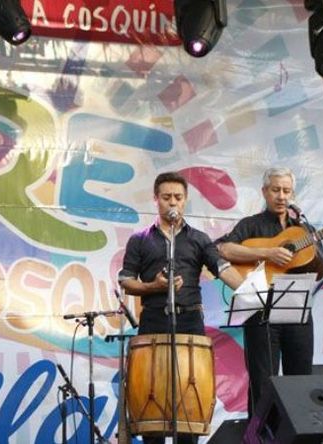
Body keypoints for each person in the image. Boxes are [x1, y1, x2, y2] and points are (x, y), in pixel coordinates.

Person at [118, 171, 244, 444]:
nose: (172, 203)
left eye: (178, 197)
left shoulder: (199, 239)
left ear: (185, 200)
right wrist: (154, 287)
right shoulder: (140, 239)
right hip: (152, 320)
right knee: (153, 411)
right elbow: (126, 281)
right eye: (166, 198)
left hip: (189, 322)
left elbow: (222, 269)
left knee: (188, 408)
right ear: (156, 200)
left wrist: (254, 292)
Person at [215, 167, 323, 416]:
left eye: (286, 191)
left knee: (302, 381)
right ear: (264, 191)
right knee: (263, 383)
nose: (281, 196)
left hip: (297, 307)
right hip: (260, 306)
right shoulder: (250, 225)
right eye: (276, 190)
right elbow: (223, 249)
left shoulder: (303, 229)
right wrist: (266, 252)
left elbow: (316, 274)